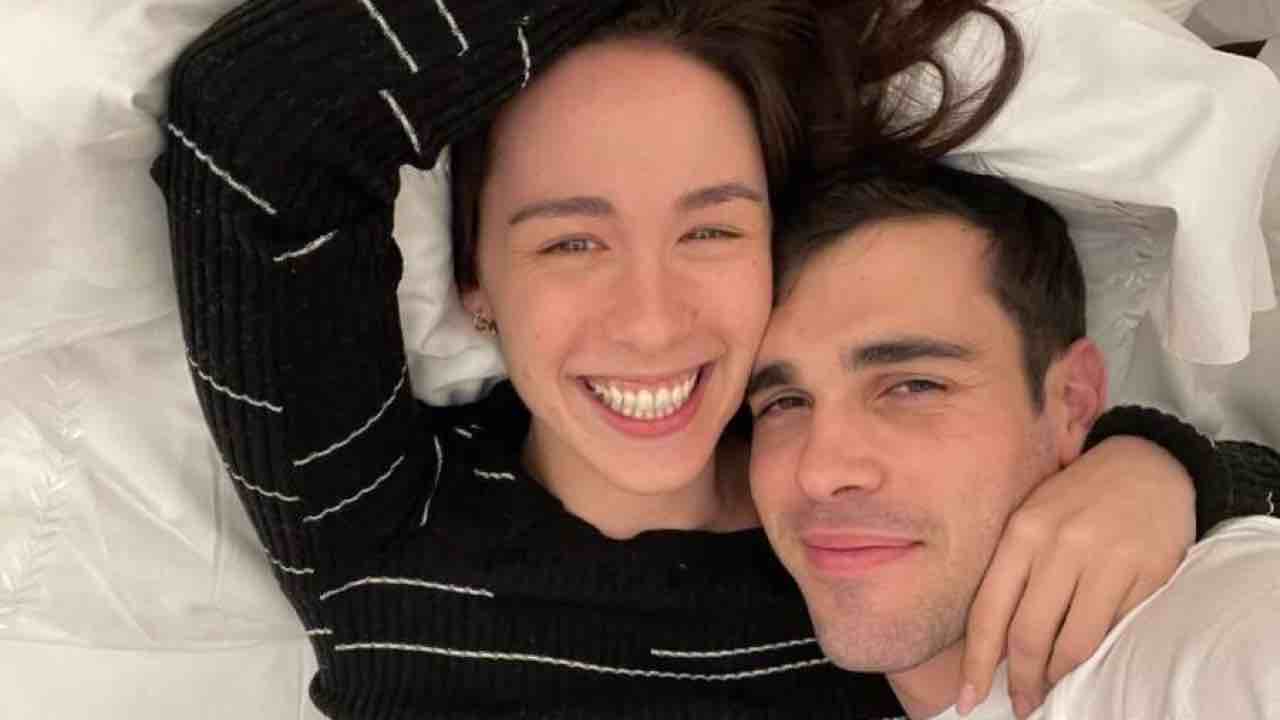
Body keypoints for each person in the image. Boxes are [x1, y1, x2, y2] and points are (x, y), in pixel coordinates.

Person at [153, 1, 1280, 717]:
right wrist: (1175, 466)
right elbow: (257, 124)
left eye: (710, 230)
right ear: (475, 284)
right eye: (569, 241)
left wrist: (1173, 472)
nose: (650, 320)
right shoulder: (377, 521)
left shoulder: (874, 535)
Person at [748, 164, 1280, 720]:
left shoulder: (1210, 648)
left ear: (1072, 400)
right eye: (784, 402)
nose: (821, 472)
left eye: (914, 386)